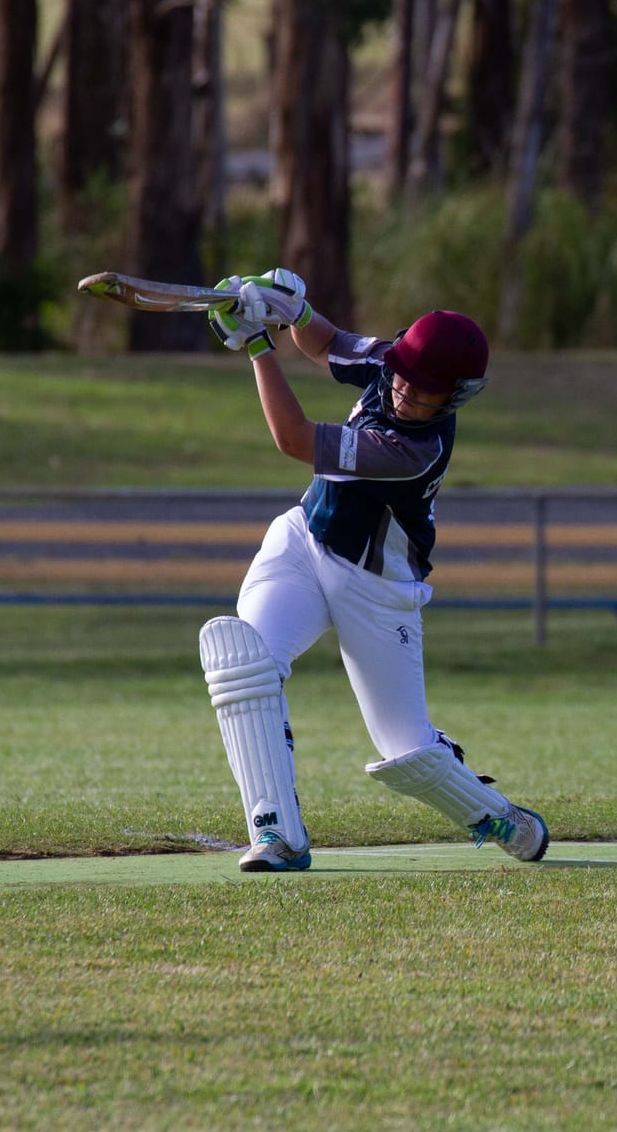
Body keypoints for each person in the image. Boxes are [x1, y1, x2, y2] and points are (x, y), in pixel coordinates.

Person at [192, 268, 548, 873]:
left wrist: (256, 343)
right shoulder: (395, 362)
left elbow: (294, 438)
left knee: (407, 755)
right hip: (305, 541)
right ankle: (277, 834)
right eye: (405, 375)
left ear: (455, 395)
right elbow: (330, 343)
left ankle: (500, 816)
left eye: (427, 388)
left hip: (377, 592)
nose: (407, 391)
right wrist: (292, 308)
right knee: (244, 658)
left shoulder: (417, 450)